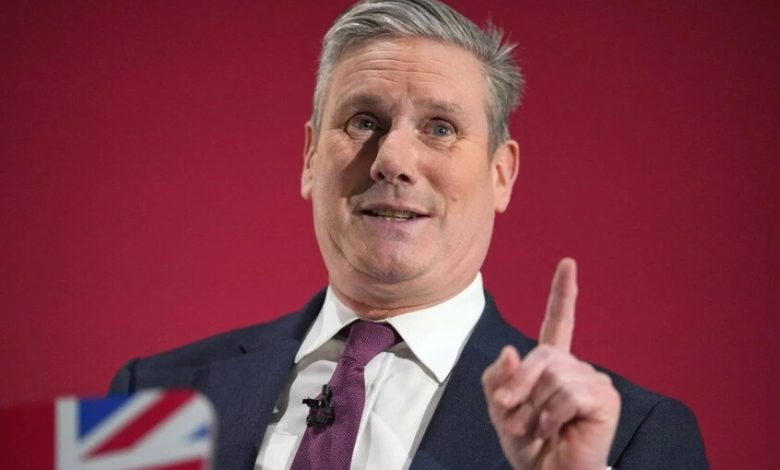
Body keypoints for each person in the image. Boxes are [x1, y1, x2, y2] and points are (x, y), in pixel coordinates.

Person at [110, 1, 709, 468]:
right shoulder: (151, 395)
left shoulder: (632, 438)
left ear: (501, 174)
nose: (391, 160)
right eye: (363, 121)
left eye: (440, 128)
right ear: (310, 157)